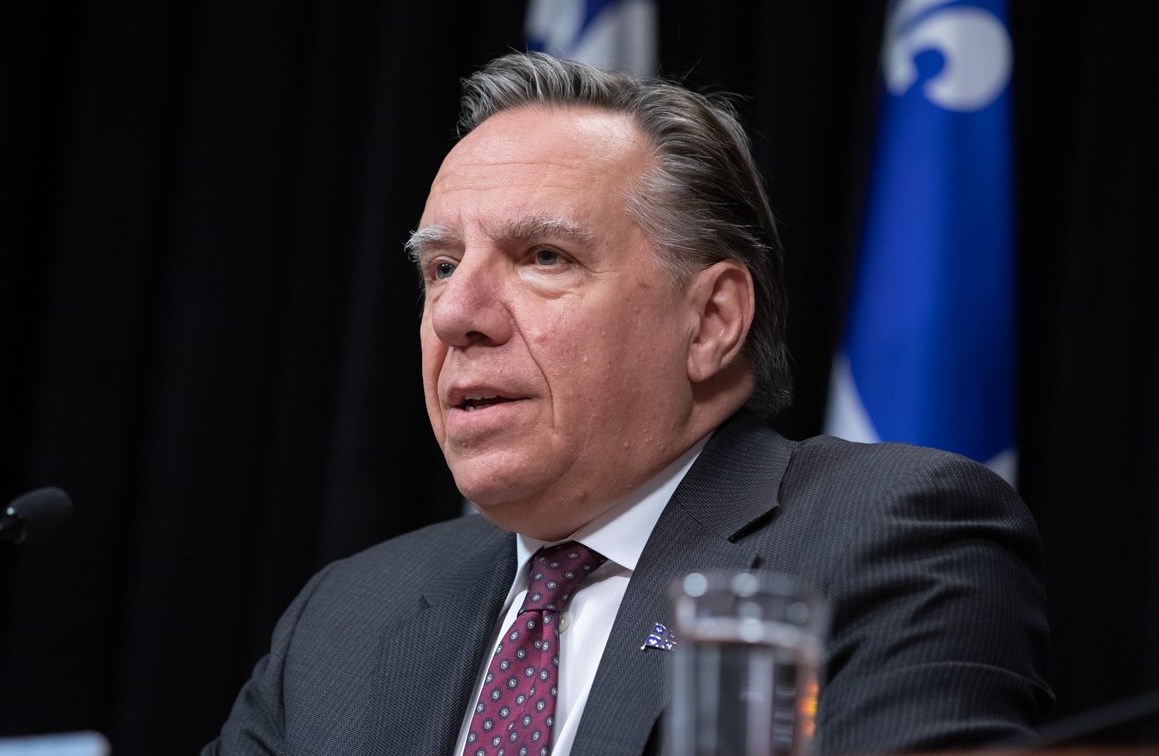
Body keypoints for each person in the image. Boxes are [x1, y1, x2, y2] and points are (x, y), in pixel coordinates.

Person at [203, 52, 1050, 756]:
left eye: (543, 256)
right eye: (441, 267)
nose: (456, 314)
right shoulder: (347, 616)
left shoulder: (891, 536)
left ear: (710, 321)